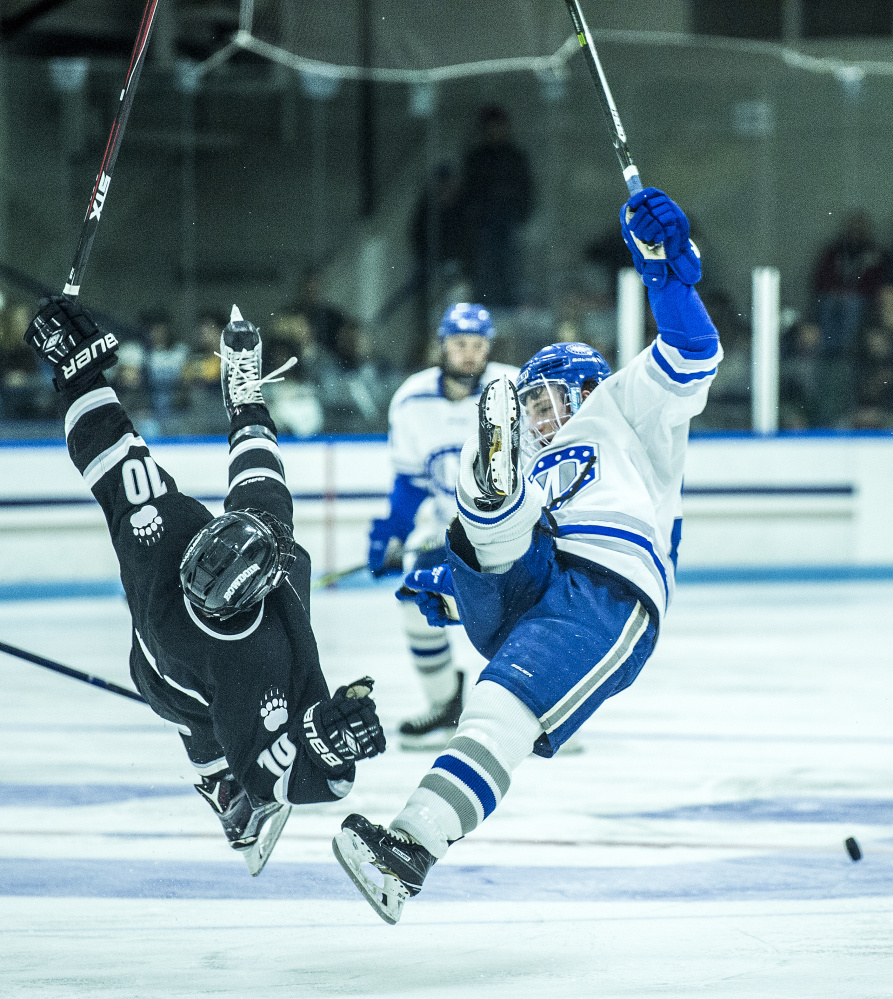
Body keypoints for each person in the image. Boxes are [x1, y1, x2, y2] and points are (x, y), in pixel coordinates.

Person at [332, 187, 722, 924]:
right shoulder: (539, 455)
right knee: (494, 516)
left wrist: (667, 276)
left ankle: (406, 849)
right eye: (532, 405)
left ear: (589, 386)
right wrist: (447, 583)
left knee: (495, 708)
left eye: (553, 399)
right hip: (531, 581)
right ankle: (483, 497)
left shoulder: (622, 408)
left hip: (608, 591)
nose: (547, 415)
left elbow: (690, 351)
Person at [24, 297, 387, 876]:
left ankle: (212, 779)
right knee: (202, 718)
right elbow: (272, 776)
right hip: (172, 679)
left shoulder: (162, 537)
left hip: (169, 643)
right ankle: (221, 793)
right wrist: (325, 741)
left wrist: (78, 374)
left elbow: (112, 450)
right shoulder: (249, 673)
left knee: (262, 500)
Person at [368, 303, 517, 750]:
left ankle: (535, 711)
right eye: (459, 345)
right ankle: (444, 703)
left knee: (525, 612)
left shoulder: (512, 388)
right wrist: (391, 533)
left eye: (477, 345)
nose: (469, 355)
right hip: (445, 530)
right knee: (416, 600)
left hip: (512, 527)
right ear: (442, 346)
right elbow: (411, 482)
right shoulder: (412, 401)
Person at [459, 105, 536, 308]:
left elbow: (526, 192)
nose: (495, 132)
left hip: (508, 223)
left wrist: (517, 214)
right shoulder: (476, 157)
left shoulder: (515, 157)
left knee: (510, 270)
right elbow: (469, 192)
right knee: (485, 270)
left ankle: (509, 308)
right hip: (484, 225)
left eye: (498, 127)